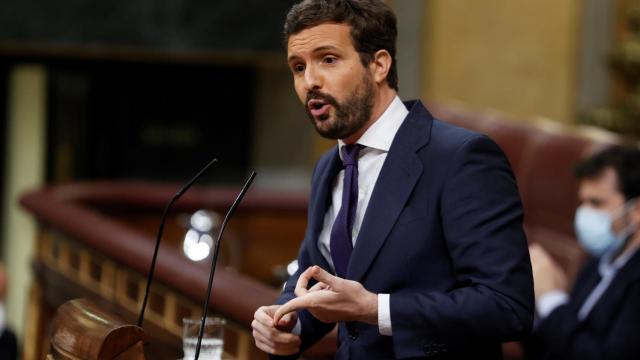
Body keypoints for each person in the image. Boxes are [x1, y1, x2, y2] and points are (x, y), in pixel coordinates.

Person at [251, 0, 534, 358]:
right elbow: (315, 277)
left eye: (328, 59)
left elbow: (507, 306)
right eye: (298, 67)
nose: (310, 82)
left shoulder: (461, 158)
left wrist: (375, 309)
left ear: (379, 64)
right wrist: (288, 322)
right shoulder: (329, 167)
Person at [526, 146, 640, 360]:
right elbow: (559, 344)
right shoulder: (599, 260)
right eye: (583, 202)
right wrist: (531, 304)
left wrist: (552, 300)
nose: (585, 213)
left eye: (596, 203)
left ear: (636, 210)